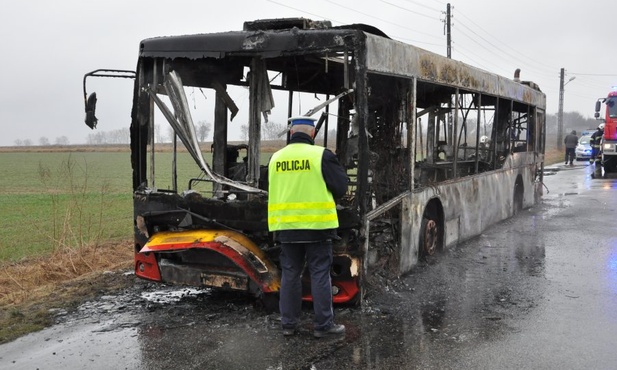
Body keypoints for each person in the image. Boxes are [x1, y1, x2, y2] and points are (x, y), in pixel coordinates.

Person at [268, 116, 348, 338]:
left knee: (290, 274)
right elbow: (341, 187)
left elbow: (268, 186)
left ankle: (288, 325)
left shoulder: (276, 158)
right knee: (319, 273)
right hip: (316, 226)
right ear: (312, 134)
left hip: (286, 228)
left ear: (292, 134)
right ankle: (324, 326)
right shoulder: (320, 155)